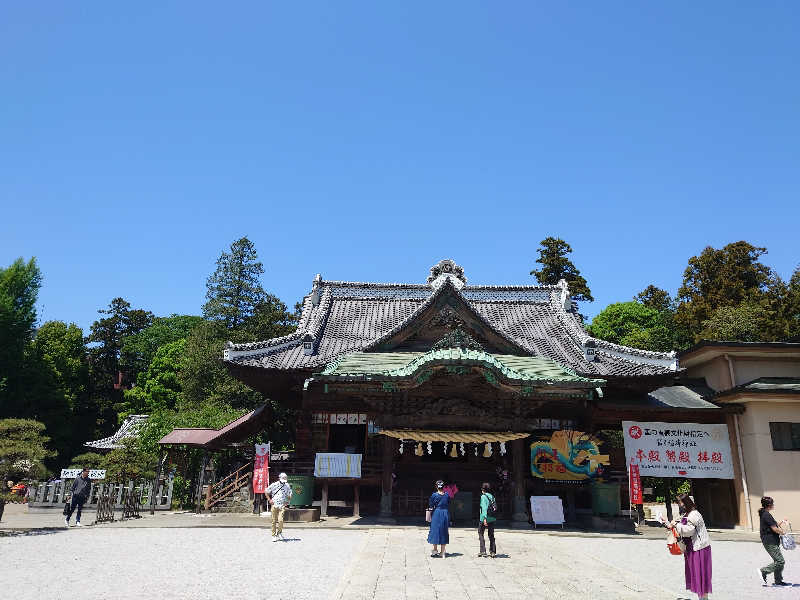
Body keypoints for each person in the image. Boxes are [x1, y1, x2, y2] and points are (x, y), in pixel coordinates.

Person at [666, 493, 712, 600]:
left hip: (699, 548)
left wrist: (676, 525)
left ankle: (703, 598)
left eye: (681, 502)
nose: (680, 504)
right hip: (692, 547)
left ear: (686, 502)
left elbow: (689, 531)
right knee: (696, 573)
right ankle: (702, 598)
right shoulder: (688, 514)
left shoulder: (694, 514)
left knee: (700, 573)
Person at [758, 496, 790, 586]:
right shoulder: (766, 515)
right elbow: (775, 529)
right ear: (769, 505)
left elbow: (774, 525)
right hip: (770, 541)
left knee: (778, 561)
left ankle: (778, 581)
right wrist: (784, 533)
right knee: (780, 561)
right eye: (772, 503)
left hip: (771, 541)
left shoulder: (766, 513)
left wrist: (782, 522)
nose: (773, 505)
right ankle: (763, 571)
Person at [265, 472, 293, 542]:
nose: (283, 482)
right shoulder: (274, 485)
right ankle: (273, 535)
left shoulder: (287, 485)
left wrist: (288, 501)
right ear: (279, 478)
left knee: (280, 520)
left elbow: (290, 493)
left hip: (282, 505)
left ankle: (279, 533)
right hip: (274, 504)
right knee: (273, 521)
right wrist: (269, 500)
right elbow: (266, 491)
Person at [427, 480, 450, 557]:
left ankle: (435, 550)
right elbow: (448, 503)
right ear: (443, 487)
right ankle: (443, 551)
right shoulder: (447, 495)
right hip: (445, 513)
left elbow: (431, 505)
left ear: (436, 486)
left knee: (435, 530)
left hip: (437, 513)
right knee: (444, 531)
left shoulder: (434, 495)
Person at [477, 482, 497, 558]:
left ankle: (483, 551)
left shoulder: (483, 497)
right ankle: (492, 551)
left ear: (482, 489)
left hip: (484, 518)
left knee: (480, 532)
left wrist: (485, 518)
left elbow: (484, 508)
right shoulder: (492, 496)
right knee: (491, 534)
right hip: (492, 517)